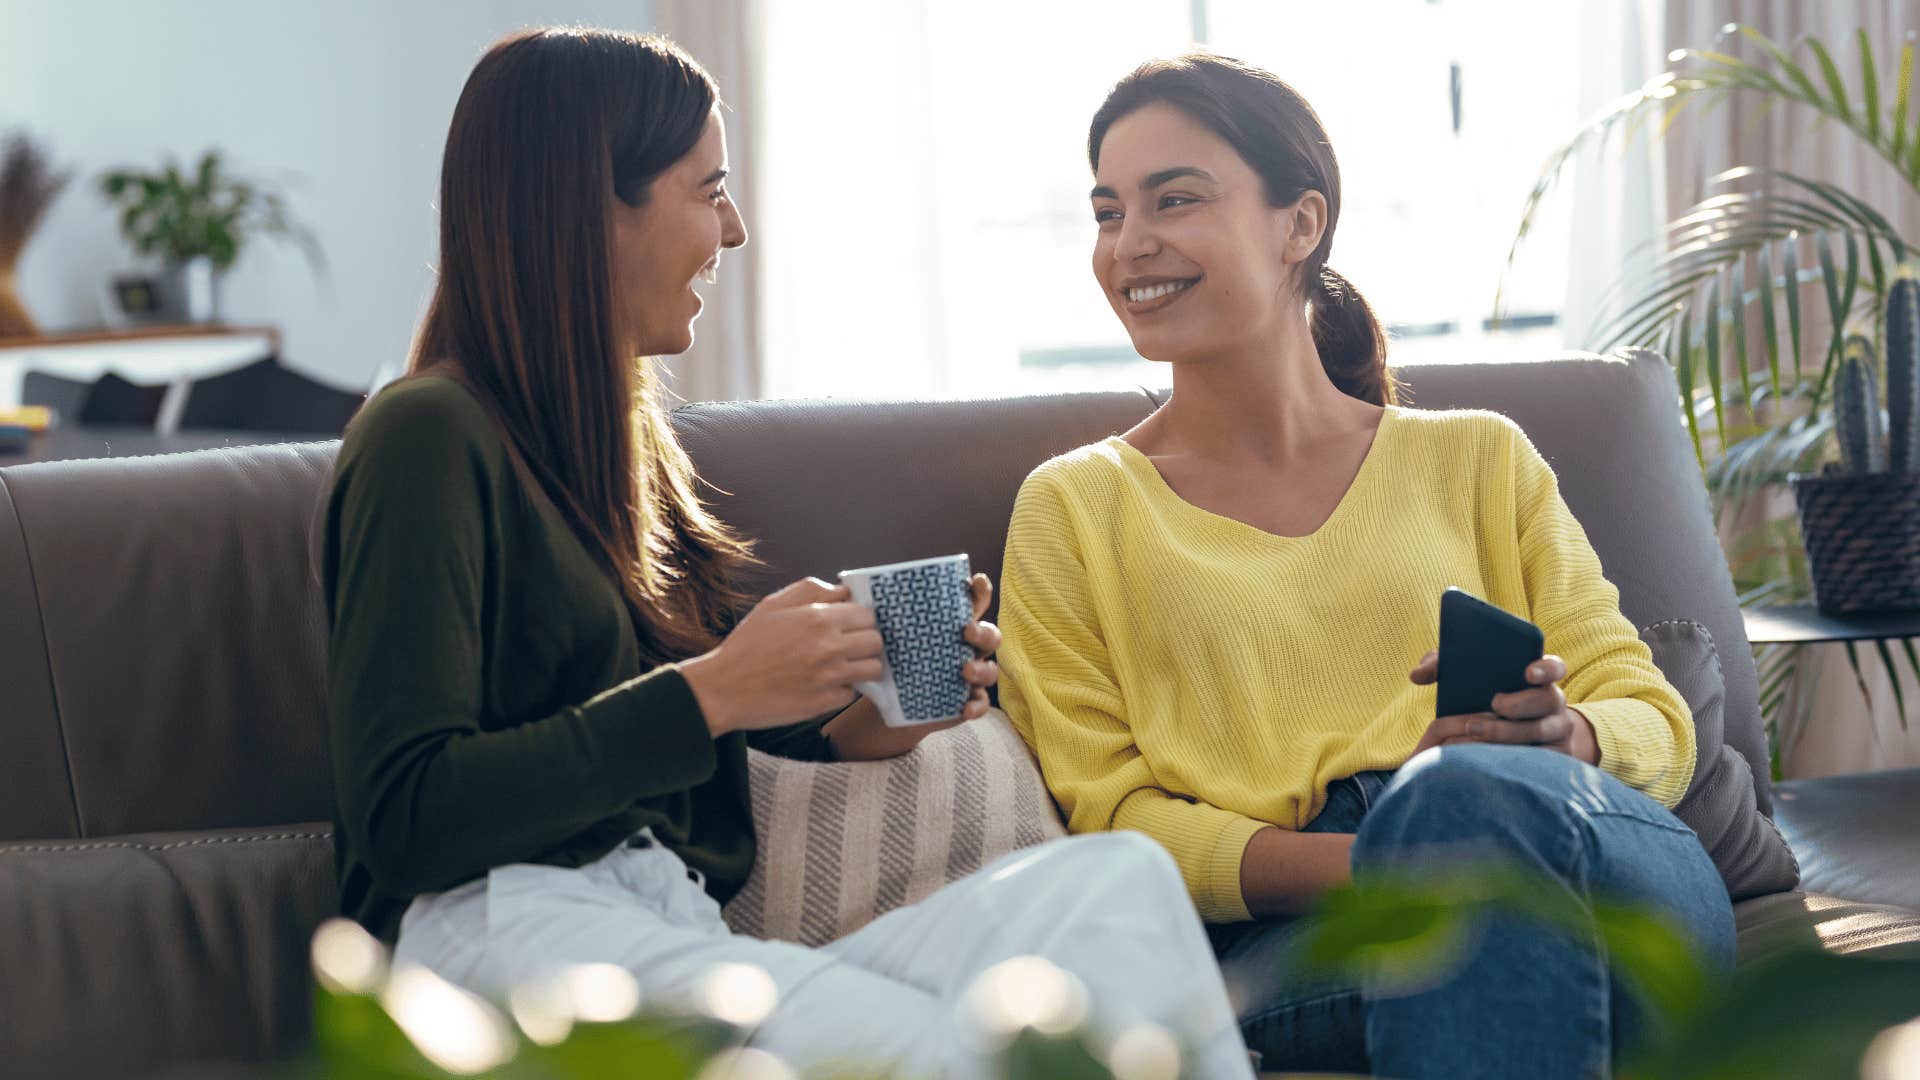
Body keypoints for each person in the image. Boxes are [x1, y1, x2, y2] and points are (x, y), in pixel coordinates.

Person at [321, 28, 1254, 1079]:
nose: (734, 227)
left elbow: (656, 757)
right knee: (969, 1055)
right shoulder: (427, 434)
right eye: (706, 188)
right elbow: (405, 816)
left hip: (664, 926)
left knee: (1116, 887)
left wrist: (850, 729)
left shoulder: (618, 454)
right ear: (591, 208)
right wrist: (717, 691)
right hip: (495, 938)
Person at [997, 52, 1735, 1079]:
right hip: (1311, 922)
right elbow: (1111, 816)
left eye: (1174, 199)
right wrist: (1403, 864)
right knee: (1483, 897)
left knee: (1474, 798)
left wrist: (1571, 738)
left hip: (1583, 843)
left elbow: (1655, 718)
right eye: (1108, 211)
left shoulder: (1479, 456)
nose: (1131, 244)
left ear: (1300, 223)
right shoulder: (1075, 508)